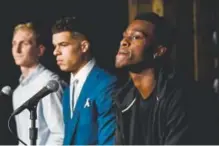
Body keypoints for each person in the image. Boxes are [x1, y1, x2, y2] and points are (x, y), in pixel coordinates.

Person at [114, 12, 219, 145]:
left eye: (136, 37)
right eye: (125, 36)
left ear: (159, 51)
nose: (124, 42)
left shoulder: (182, 96)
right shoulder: (124, 98)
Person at [52, 16, 117, 145]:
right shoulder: (67, 91)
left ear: (84, 46)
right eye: (55, 46)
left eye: (63, 45)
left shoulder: (106, 84)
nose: (56, 52)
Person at [11, 22, 65, 145]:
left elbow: (60, 134)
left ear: (40, 50)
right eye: (14, 44)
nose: (17, 50)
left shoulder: (49, 84)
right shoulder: (17, 92)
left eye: (24, 44)